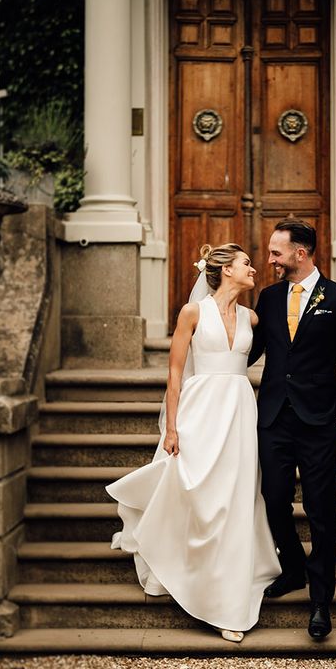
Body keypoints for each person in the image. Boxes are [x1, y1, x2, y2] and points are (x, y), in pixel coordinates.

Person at [106, 243, 281, 643]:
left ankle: (228, 600)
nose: (253, 269)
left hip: (239, 411)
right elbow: (174, 373)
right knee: (199, 493)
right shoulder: (192, 313)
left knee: (235, 499)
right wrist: (171, 428)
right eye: (246, 264)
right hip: (199, 410)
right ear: (224, 271)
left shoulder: (252, 317)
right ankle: (186, 571)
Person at [249, 219, 336, 640]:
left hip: (319, 423)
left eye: (277, 253)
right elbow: (251, 349)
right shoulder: (269, 298)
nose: (271, 260)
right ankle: (292, 568)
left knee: (320, 512)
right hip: (274, 418)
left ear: (301, 253)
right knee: (274, 501)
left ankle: (320, 602)